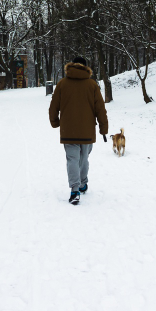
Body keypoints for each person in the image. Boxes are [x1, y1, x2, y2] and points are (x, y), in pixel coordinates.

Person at [48, 56, 109, 205]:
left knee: (72, 159)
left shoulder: (62, 84)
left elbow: (53, 106)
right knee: (84, 159)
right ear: (86, 68)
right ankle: (82, 183)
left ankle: (75, 189)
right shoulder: (92, 85)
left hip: (68, 130)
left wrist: (55, 122)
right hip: (87, 130)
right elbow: (100, 108)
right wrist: (103, 128)